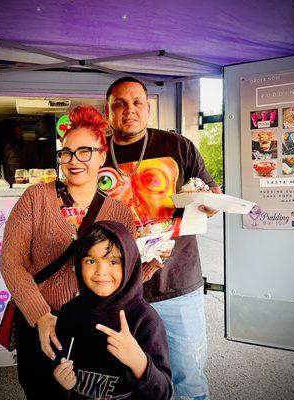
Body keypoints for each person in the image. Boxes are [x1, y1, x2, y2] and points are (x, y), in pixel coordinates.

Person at [0, 105, 137, 400]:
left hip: (95, 325)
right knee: (41, 391)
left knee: (87, 394)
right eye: (66, 152)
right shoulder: (36, 198)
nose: (73, 161)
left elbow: (124, 275)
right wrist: (41, 315)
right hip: (40, 322)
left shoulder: (120, 213)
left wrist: (153, 263)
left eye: (84, 151)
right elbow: (11, 263)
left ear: (102, 155)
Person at [99, 76, 222, 399]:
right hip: (120, 290)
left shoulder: (177, 146)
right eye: (120, 104)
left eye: (137, 102)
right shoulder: (95, 155)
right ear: (108, 111)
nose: (130, 110)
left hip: (177, 283)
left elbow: (211, 194)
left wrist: (210, 203)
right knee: (130, 380)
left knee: (188, 379)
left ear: (148, 108)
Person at [53, 221, 173, 399]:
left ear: (130, 264)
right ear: (79, 264)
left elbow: (163, 394)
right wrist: (62, 384)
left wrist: (139, 362)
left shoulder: (145, 320)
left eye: (113, 261)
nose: (101, 271)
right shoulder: (69, 313)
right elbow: (54, 373)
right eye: (91, 261)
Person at [0, 118, 24, 186]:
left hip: (11, 184)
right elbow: (16, 170)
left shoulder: (5, 148)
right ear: (11, 132)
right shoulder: (12, 148)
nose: (21, 133)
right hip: (17, 185)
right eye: (18, 131)